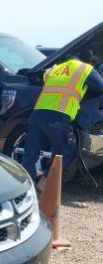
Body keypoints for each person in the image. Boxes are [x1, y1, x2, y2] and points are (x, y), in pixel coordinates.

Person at [23, 53, 103, 182]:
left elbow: (43, 77)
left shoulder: (55, 69)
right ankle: (44, 184)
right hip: (58, 116)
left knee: (30, 154)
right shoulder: (84, 68)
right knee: (67, 152)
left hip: (37, 115)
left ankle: (27, 184)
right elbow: (100, 87)